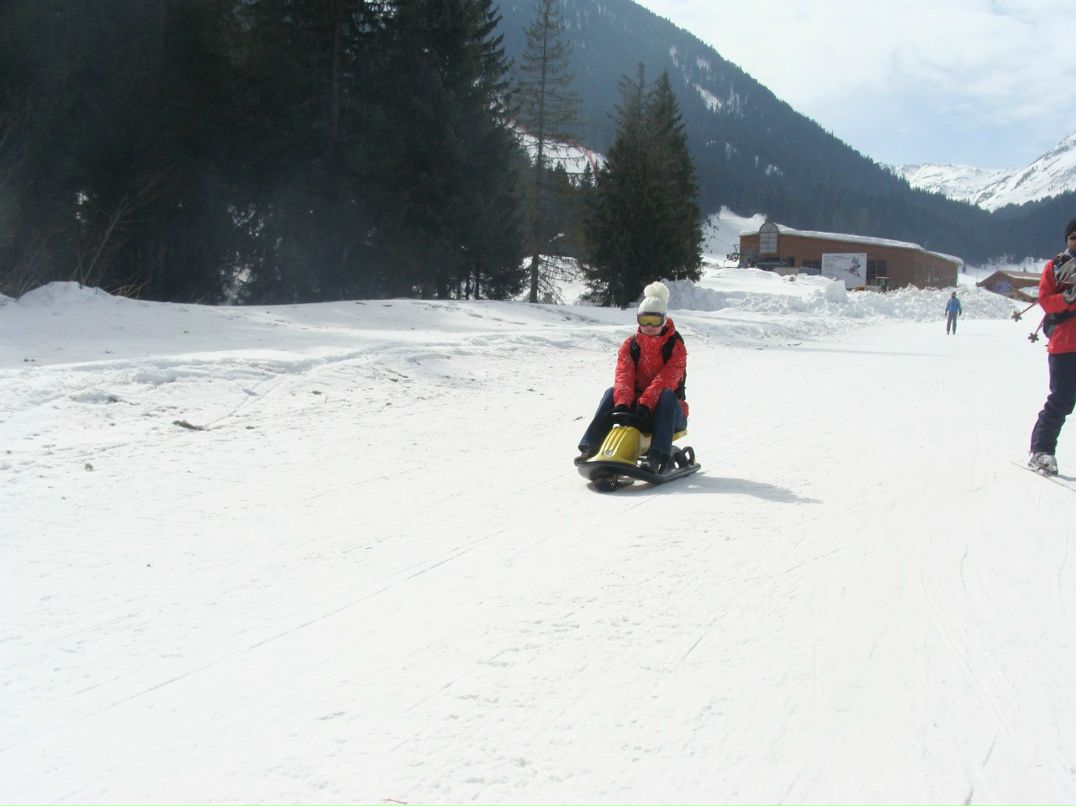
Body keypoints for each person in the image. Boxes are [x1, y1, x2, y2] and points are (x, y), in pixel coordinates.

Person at [575, 281, 689, 474]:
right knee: (611, 392)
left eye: (655, 321)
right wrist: (622, 404)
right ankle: (591, 446)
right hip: (636, 410)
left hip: (668, 413)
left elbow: (666, 380)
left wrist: (645, 404)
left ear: (664, 320)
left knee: (667, 394)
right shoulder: (630, 345)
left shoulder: (675, 347)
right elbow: (624, 376)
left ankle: (657, 456)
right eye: (645, 320)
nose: (649, 326)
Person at [1028, 217, 1076, 475]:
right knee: (1062, 400)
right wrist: (1068, 298)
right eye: (1074, 237)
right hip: (1065, 343)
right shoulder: (1056, 265)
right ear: (1067, 239)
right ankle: (1041, 450)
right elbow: (1045, 300)